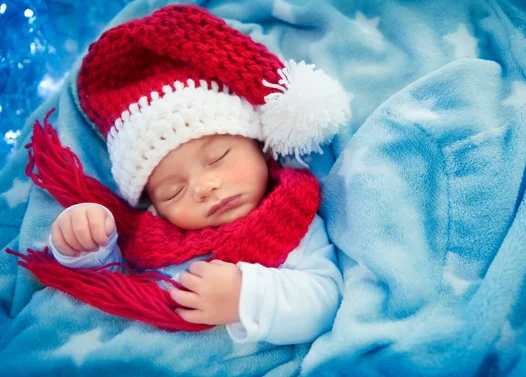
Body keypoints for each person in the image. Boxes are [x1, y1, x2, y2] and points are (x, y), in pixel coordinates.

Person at [37, 4, 352, 345]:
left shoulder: (292, 216)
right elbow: (116, 286)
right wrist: (88, 244)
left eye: (218, 158)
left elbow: (326, 298)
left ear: (259, 146)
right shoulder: (151, 238)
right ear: (154, 207)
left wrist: (247, 297)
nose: (203, 187)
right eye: (173, 191)